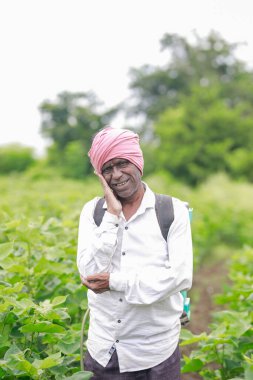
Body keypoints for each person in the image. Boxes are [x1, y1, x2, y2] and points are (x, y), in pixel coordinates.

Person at [77, 126, 193, 379]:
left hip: (155, 354)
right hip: (104, 352)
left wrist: (116, 282)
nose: (117, 175)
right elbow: (88, 274)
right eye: (107, 169)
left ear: (138, 164)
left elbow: (180, 277)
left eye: (122, 164)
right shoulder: (93, 212)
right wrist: (111, 215)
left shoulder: (171, 211)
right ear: (100, 175)